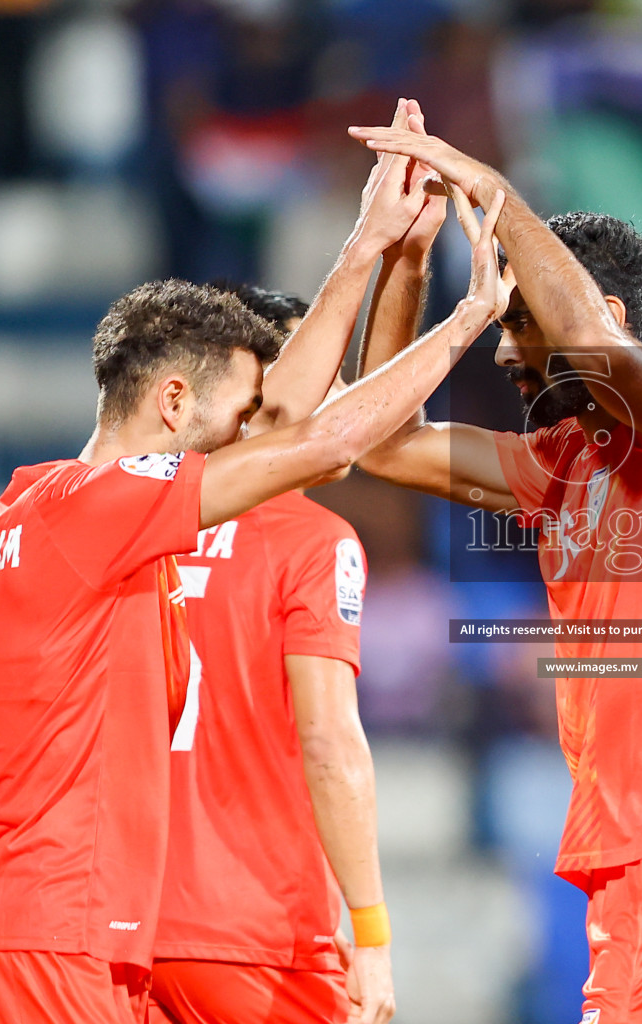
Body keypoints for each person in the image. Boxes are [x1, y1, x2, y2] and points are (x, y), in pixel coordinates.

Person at [0, 129, 507, 1023]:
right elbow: (319, 440)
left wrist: (368, 249)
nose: (258, 427)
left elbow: (291, 427)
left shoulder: (60, 505)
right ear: (173, 401)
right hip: (64, 926)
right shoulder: (103, 507)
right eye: (239, 410)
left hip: (88, 929)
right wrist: (468, 318)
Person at [349, 109, 642, 1024]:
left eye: (519, 321)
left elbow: (599, 350)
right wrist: (408, 258)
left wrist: (490, 191)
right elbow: (382, 439)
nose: (504, 349)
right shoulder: (557, 463)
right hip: (625, 845)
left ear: (606, 318)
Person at [146, 202, 443, 1024]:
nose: (347, 400)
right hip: (258, 937)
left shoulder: (129, 523)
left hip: (123, 933)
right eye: (331, 378)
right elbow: (329, 741)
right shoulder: (317, 540)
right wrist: (373, 933)